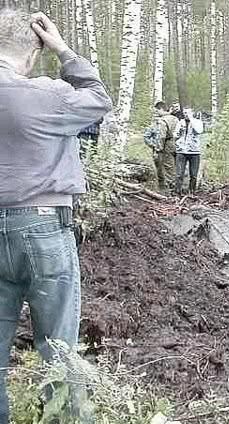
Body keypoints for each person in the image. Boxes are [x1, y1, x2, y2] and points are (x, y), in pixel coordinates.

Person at [0, 10, 112, 424]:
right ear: (33, 52)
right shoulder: (47, 94)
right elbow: (99, 100)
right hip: (43, 227)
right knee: (58, 347)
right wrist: (64, 50)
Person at [174, 108, 204, 194]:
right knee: (179, 174)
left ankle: (192, 192)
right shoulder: (180, 122)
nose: (186, 114)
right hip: (181, 151)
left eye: (188, 112)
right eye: (184, 113)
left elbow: (199, 131)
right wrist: (178, 139)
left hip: (194, 152)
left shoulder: (198, 122)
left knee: (194, 175)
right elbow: (175, 135)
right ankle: (177, 192)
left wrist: (191, 119)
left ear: (192, 113)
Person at [150, 102, 179, 191]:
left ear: (161, 109)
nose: (157, 113)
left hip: (168, 145)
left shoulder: (163, 121)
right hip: (178, 144)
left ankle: (172, 189)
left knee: (169, 167)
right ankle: (181, 186)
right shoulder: (176, 119)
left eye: (157, 111)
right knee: (178, 166)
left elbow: (162, 136)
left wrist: (158, 149)